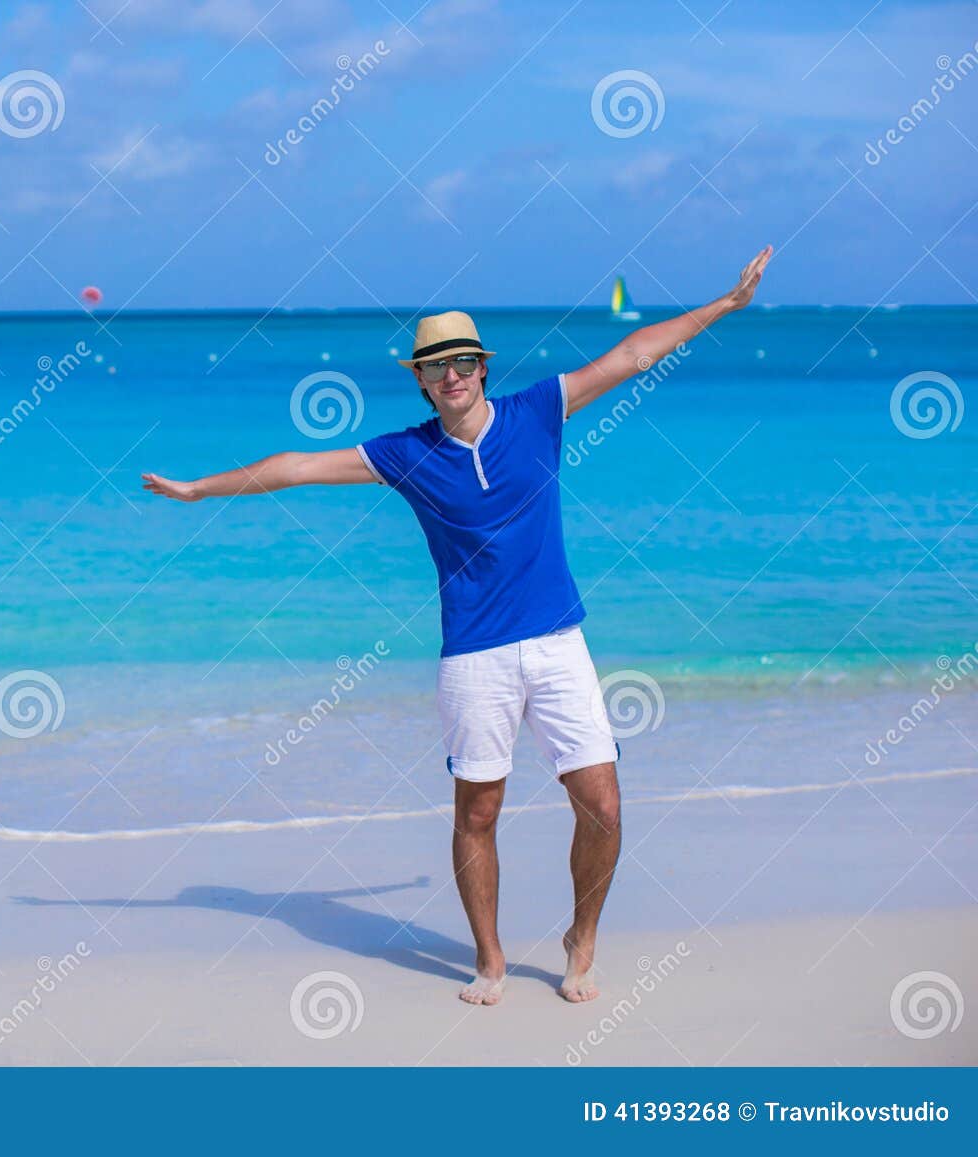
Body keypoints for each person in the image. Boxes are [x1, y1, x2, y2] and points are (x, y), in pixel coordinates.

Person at [141, 247, 774, 1006]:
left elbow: (633, 354)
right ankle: (491, 958)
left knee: (602, 804)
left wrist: (725, 305)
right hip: (474, 656)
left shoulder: (540, 411)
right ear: (420, 378)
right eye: (437, 366)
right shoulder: (406, 453)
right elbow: (296, 466)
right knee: (478, 811)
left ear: (483, 366)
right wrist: (199, 491)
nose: (453, 375)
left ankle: (583, 937)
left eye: (464, 361)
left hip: (556, 642)